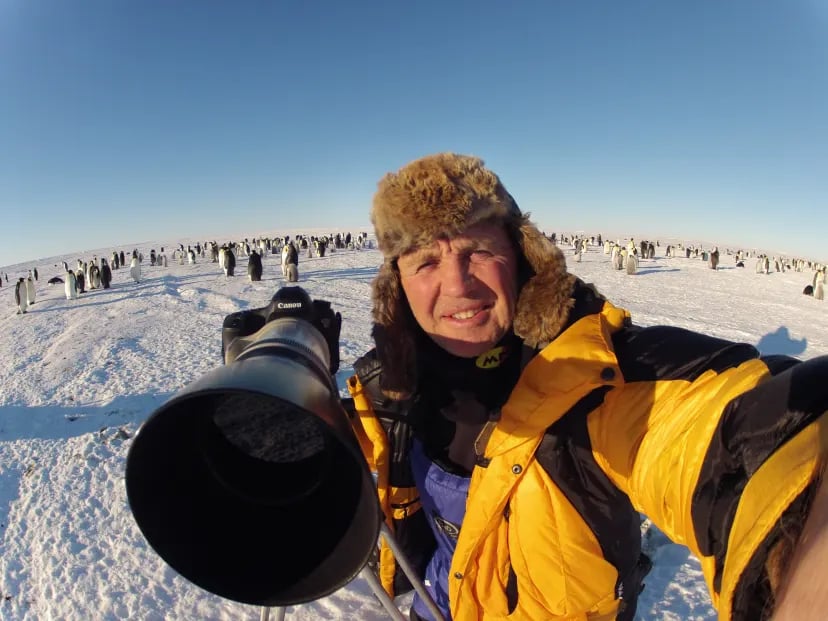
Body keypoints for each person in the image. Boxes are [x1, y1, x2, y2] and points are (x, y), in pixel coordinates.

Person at [344, 152, 828, 621]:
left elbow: (734, 434)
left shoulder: (596, 378)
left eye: (479, 251)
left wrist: (805, 526)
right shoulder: (389, 393)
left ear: (521, 259)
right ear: (397, 285)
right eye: (425, 262)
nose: (457, 284)